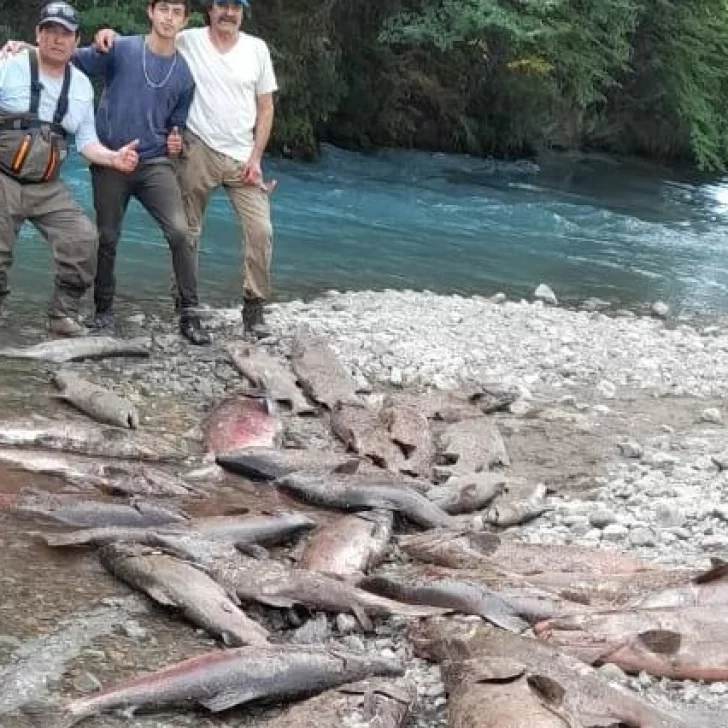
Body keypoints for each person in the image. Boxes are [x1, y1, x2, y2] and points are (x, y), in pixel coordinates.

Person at [96, 0, 278, 340]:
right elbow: (150, 41)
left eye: (235, 7)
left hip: (243, 156)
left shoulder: (257, 49)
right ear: (209, 10)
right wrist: (110, 36)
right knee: (187, 232)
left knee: (261, 230)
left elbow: (265, 107)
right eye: (222, 5)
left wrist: (256, 157)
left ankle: (254, 308)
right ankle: (186, 306)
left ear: (242, 11)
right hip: (197, 149)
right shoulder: (189, 39)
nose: (228, 12)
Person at [0, 1, 139, 336]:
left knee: (83, 238)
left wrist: (114, 158)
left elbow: (87, 141)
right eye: (49, 30)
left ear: (77, 41)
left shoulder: (81, 86)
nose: (57, 39)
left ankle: (62, 314)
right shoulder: (8, 64)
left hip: (48, 186)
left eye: (66, 33)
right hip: (3, 178)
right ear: (37, 34)